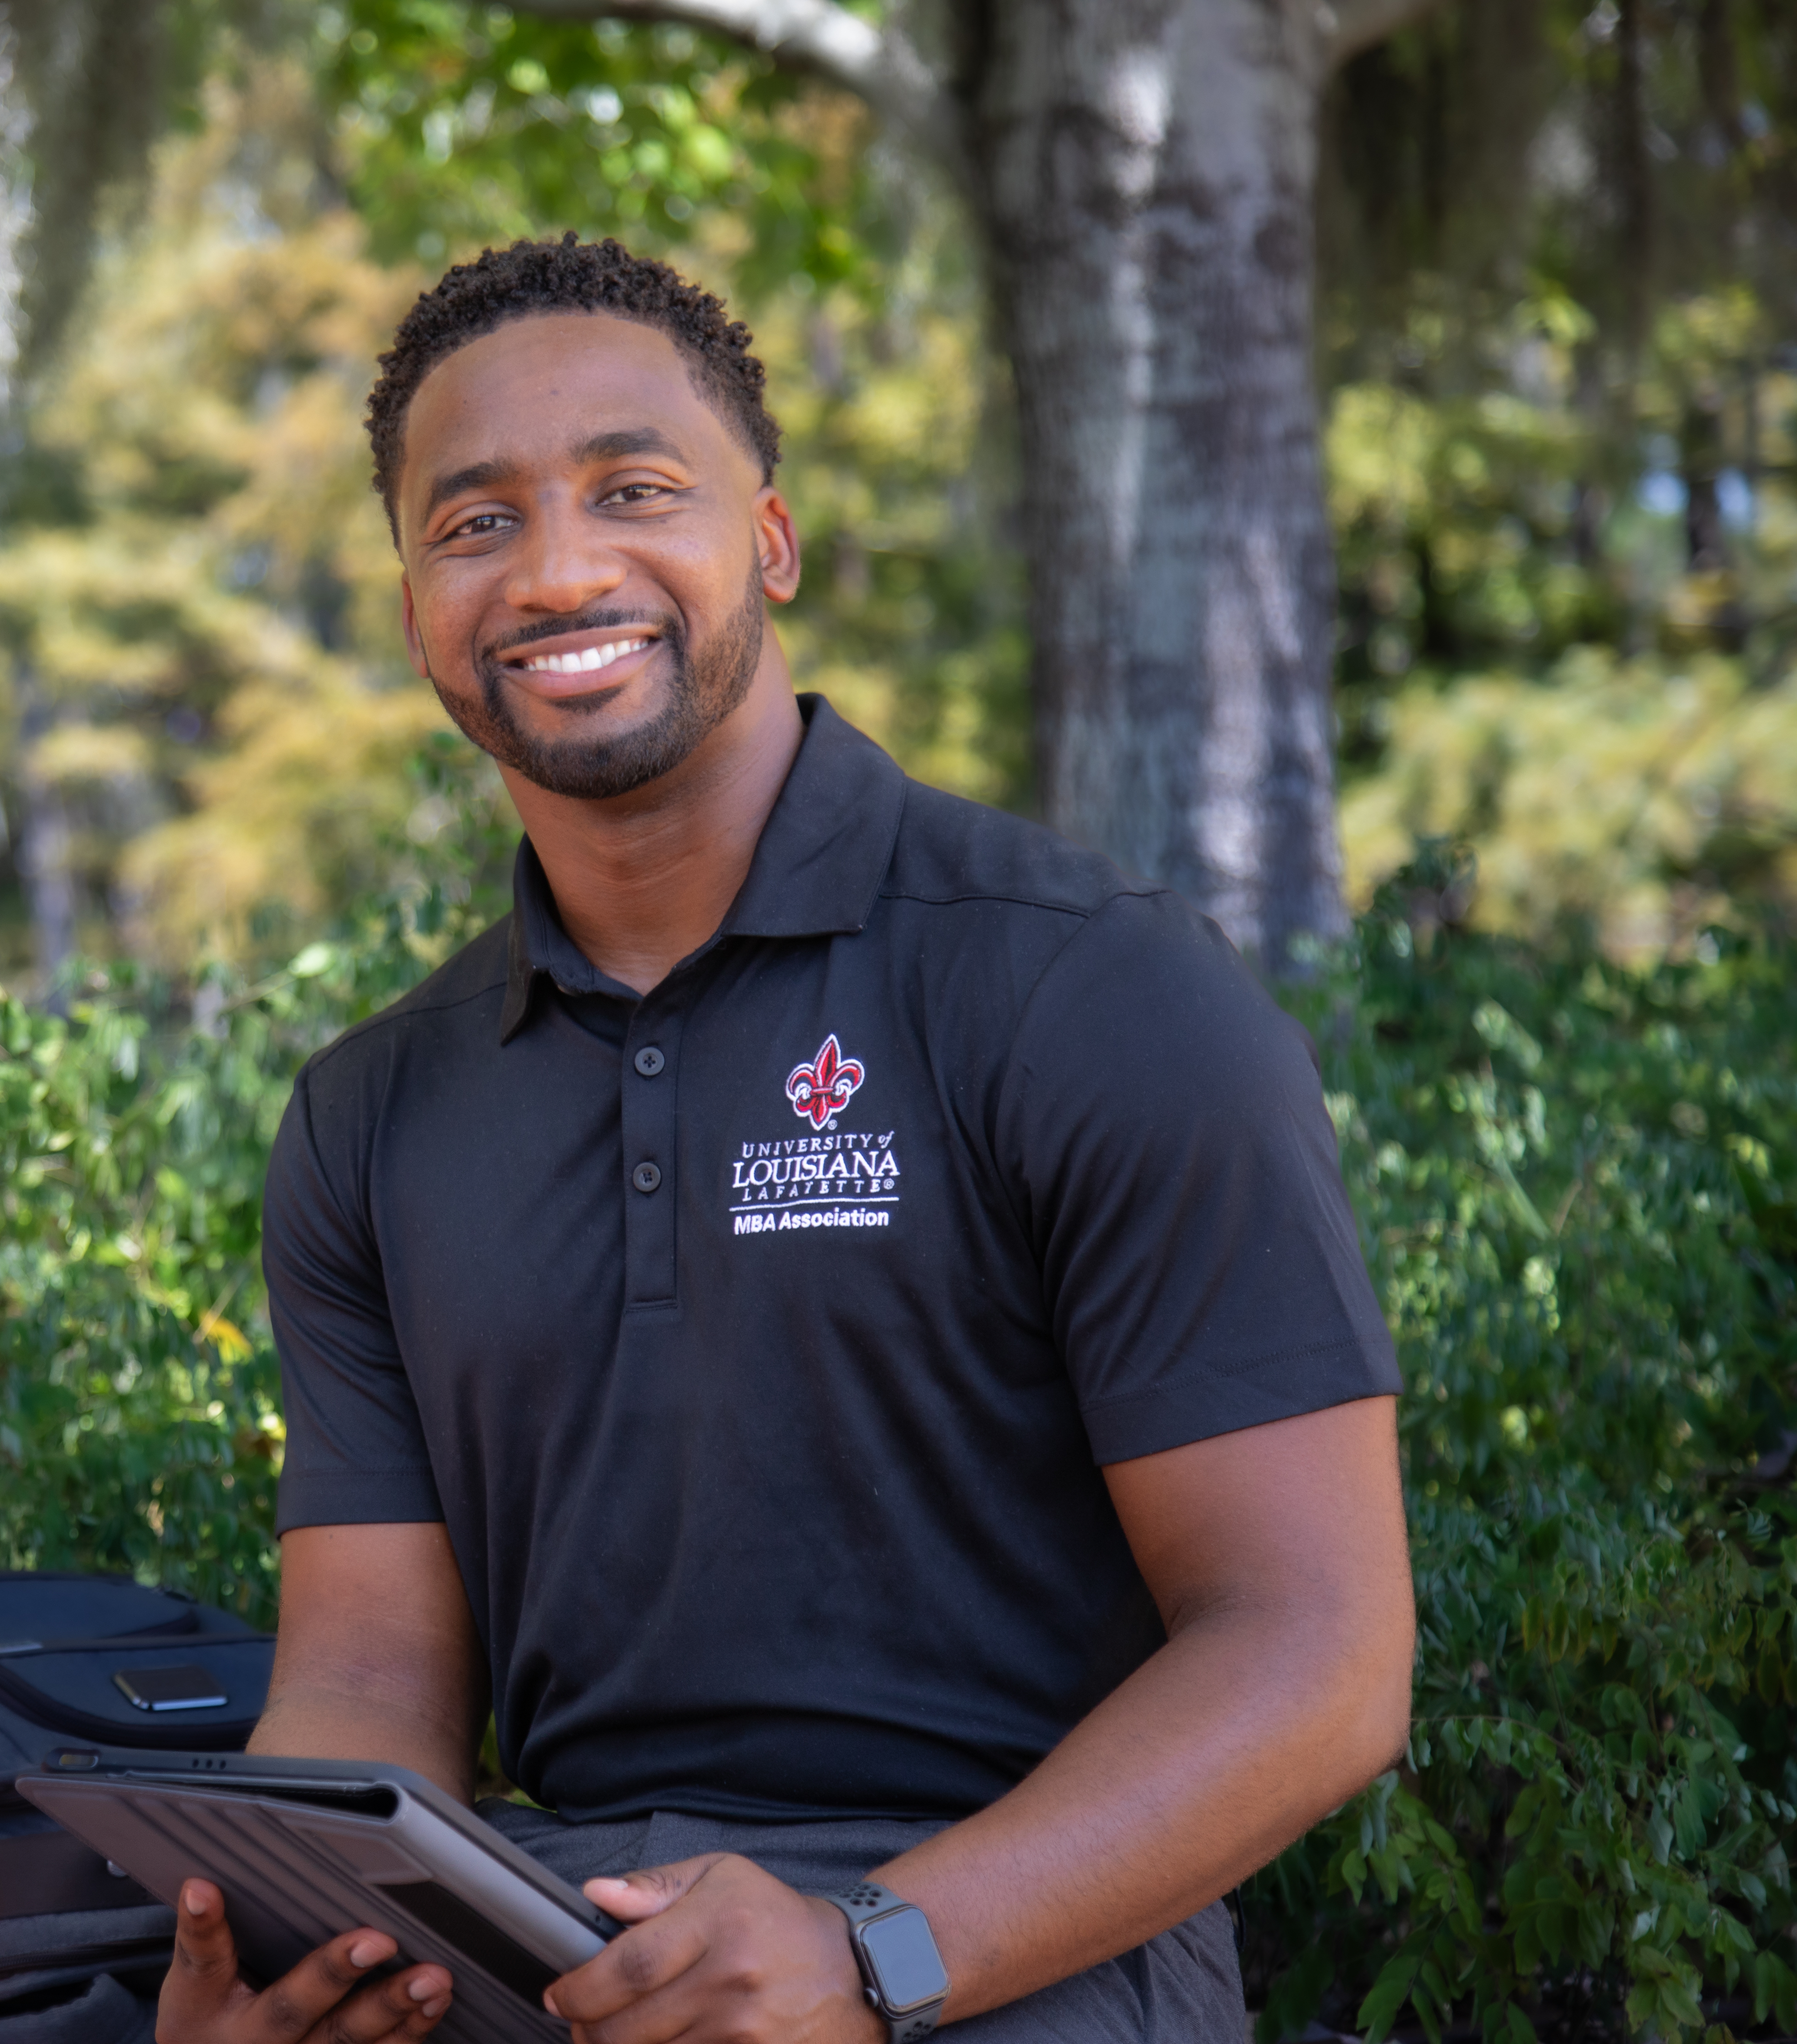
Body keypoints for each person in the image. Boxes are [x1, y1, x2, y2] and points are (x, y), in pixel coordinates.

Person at [153, 237, 1414, 2044]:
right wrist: (299, 1957)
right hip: (569, 1948)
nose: (561, 566)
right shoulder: (373, 1113)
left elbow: (1320, 1654)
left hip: (1021, 1958)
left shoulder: (1090, 993)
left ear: (773, 542)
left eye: (633, 489)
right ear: (416, 600)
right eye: (474, 521)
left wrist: (875, 1950)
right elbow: (365, 1681)